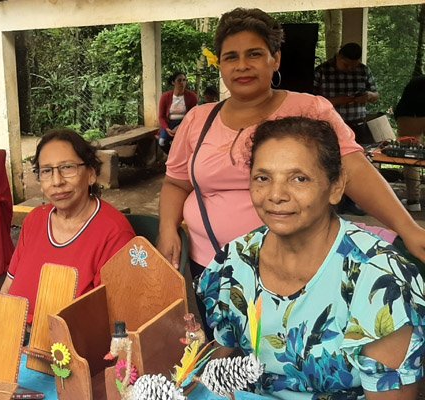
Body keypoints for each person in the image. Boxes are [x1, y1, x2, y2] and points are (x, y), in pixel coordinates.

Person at [158, 8, 425, 278]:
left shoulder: (309, 110)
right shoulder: (199, 119)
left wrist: (408, 228)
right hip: (209, 266)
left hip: (293, 270)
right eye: (231, 57)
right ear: (221, 65)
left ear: (275, 59)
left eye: (254, 54)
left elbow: (354, 171)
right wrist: (168, 229)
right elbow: (175, 183)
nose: (242, 66)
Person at [197, 116, 425, 399]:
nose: (276, 195)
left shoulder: (380, 278)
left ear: (336, 186)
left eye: (299, 178)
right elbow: (222, 363)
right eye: (263, 178)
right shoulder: (235, 261)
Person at [0, 129, 135, 317]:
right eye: (46, 171)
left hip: (69, 344)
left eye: (67, 168)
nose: (57, 181)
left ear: (91, 174)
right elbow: (7, 290)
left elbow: (115, 320)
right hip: (15, 334)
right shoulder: (35, 220)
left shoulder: (114, 233)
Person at [314, 43, 380, 144]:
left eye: (354, 66)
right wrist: (336, 101)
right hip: (330, 127)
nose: (350, 69)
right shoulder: (321, 71)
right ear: (338, 57)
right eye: (346, 65)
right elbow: (312, 101)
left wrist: (369, 96)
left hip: (359, 126)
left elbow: (376, 96)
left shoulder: (363, 70)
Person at [396, 76, 425, 211]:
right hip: (411, 111)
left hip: (409, 115)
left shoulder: (417, 82)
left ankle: (414, 201)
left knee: (410, 156)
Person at [158, 71, 198, 153]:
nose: (182, 83)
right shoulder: (165, 96)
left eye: (184, 80)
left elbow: (193, 115)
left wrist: (180, 126)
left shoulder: (192, 96)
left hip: (186, 123)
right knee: (162, 142)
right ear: (173, 82)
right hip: (169, 124)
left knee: (187, 143)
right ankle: (172, 157)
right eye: (179, 80)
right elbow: (161, 116)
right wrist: (167, 128)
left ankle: (182, 159)